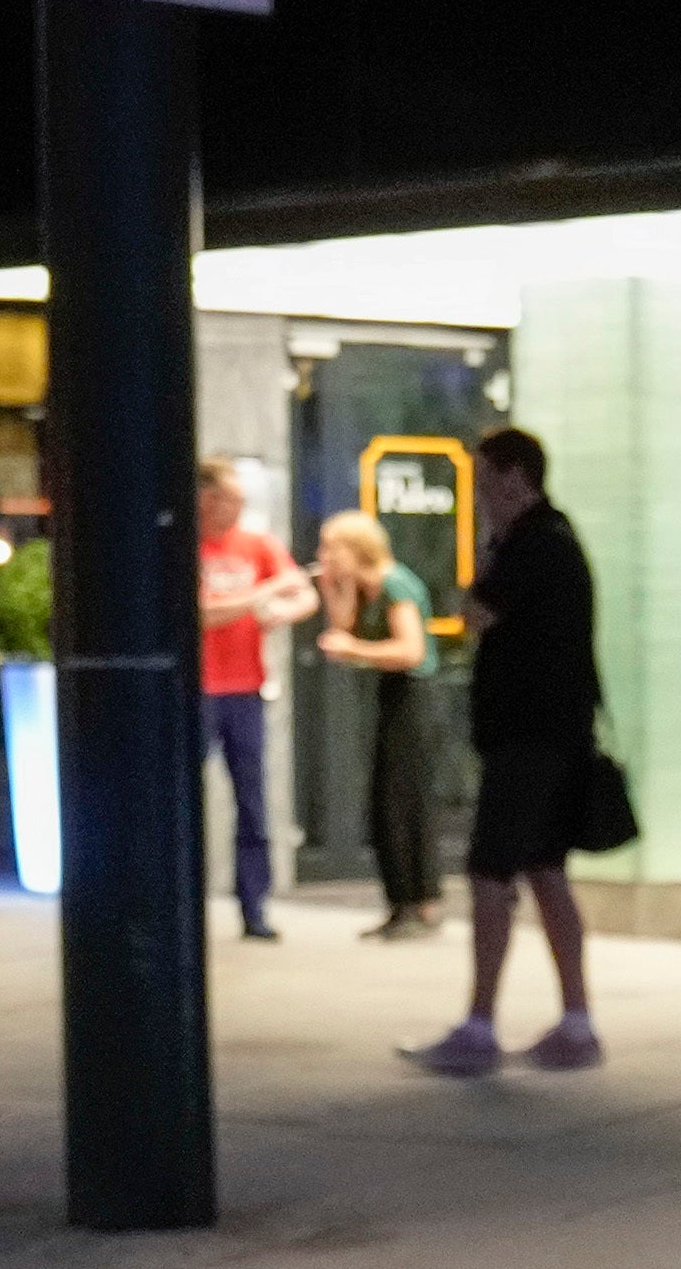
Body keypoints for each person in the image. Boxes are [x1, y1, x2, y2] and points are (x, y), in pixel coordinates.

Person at [412, 427, 603, 1073]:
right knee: (545, 872)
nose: (481, 496)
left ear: (514, 477)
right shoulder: (559, 538)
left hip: (527, 741)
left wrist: (489, 553)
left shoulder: (529, 545)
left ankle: (479, 1024)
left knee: (491, 873)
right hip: (555, 737)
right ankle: (577, 1023)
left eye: (486, 481)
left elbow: (474, 614)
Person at [307, 506, 441, 935]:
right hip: (390, 693)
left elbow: (410, 651)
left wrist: (356, 650)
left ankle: (420, 904)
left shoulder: (395, 583)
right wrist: (333, 589)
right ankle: (399, 899)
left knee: (405, 799)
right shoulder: (365, 587)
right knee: (384, 800)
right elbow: (343, 629)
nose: (325, 555)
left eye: (333, 548)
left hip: (413, 693)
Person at [194, 457, 308, 945]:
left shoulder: (257, 544)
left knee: (253, 804)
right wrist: (261, 595)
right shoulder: (188, 545)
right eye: (230, 498)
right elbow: (201, 614)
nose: (238, 508)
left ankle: (254, 906)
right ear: (207, 498)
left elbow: (302, 593)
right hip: (198, 689)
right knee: (184, 798)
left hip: (245, 688)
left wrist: (277, 610)